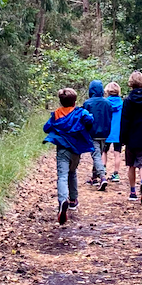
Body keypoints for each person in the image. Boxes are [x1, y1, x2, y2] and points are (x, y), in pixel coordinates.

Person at [43, 87, 96, 224]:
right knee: (72, 172)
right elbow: (90, 120)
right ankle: (73, 200)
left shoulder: (56, 114)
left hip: (62, 150)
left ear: (61, 101)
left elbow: (46, 128)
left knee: (62, 175)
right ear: (74, 101)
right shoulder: (80, 112)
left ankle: (62, 200)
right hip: (76, 149)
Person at [118, 71, 142, 204]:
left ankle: (133, 192)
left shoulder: (128, 101)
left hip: (130, 138)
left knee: (131, 165)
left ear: (130, 83)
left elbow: (125, 120)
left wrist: (122, 139)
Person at [82, 80, 113, 192]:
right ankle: (94, 177)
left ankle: (102, 176)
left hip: (92, 133)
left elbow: (84, 120)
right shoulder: (107, 103)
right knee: (98, 154)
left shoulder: (87, 103)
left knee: (96, 155)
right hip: (104, 133)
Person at [104, 81, 123, 181]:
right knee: (117, 153)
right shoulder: (122, 104)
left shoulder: (105, 103)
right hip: (118, 132)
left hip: (106, 131)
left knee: (104, 151)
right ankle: (116, 174)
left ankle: (102, 171)